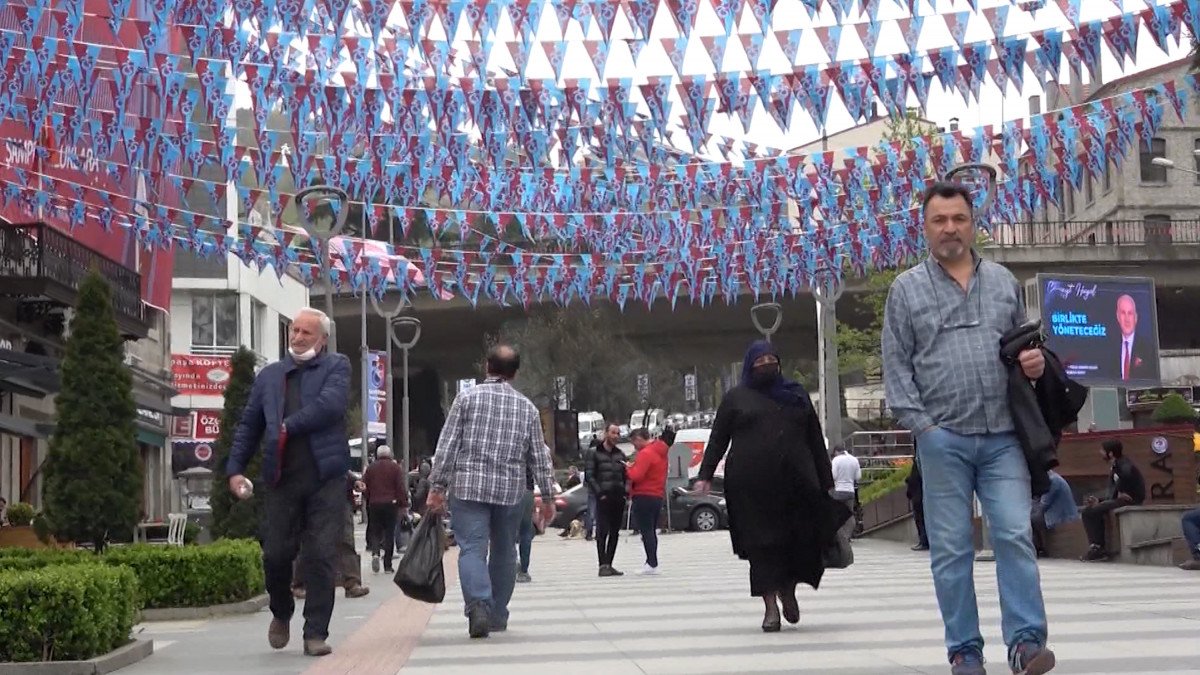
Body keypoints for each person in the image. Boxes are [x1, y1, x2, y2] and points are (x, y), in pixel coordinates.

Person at [882, 183, 1055, 675]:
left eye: (958, 218)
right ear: (925, 228)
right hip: (944, 439)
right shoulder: (905, 289)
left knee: (1015, 535)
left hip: (1004, 437)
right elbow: (896, 369)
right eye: (940, 220)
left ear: (972, 223)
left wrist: (1034, 363)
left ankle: (1025, 645)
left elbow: (1023, 350)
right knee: (952, 550)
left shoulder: (1003, 281)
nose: (950, 228)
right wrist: (925, 429)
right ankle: (965, 651)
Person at [227, 307, 350, 657]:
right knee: (275, 554)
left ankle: (315, 633)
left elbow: (331, 406)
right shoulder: (269, 376)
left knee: (321, 556)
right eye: (294, 331)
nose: (296, 337)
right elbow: (249, 425)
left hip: (325, 478)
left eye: (305, 333)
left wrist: (287, 427)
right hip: (281, 479)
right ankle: (281, 611)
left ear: (322, 339)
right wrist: (235, 469)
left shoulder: (336, 366)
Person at [696, 340, 836, 633]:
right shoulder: (736, 398)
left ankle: (789, 590)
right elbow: (718, 438)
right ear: (750, 366)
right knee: (761, 548)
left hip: (796, 485)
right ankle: (770, 607)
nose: (766, 366)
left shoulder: (796, 395)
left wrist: (826, 482)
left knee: (795, 541)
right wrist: (705, 474)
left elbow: (814, 439)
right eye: (760, 362)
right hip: (751, 489)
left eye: (771, 360)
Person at [426, 345, 556, 639]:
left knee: (472, 548)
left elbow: (447, 446)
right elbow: (539, 456)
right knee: (505, 550)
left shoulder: (466, 399)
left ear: (487, 367)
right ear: (515, 372)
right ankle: (497, 614)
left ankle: (478, 605)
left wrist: (437, 487)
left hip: (469, 487)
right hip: (509, 491)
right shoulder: (527, 409)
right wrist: (547, 497)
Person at [293, 472, 371, 600]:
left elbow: (341, 464)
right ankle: (299, 584)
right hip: (311, 494)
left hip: (339, 496)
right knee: (307, 540)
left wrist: (353, 481)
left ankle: (352, 583)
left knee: (346, 540)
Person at [1080, 439, 1145, 562]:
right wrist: (1099, 500)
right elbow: (1114, 492)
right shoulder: (1116, 465)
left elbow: (1127, 474)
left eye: (1102, 451)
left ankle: (1098, 548)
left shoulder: (1123, 464)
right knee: (1088, 510)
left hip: (1130, 500)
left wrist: (1123, 490)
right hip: (1120, 500)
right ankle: (1095, 546)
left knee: (1091, 512)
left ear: (1110, 453)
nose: (1100, 453)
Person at [587, 423, 628, 577]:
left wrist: (625, 492)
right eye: (613, 432)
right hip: (603, 497)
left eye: (618, 433)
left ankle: (609, 564)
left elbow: (625, 476)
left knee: (615, 532)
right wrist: (600, 493)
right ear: (606, 433)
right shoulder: (594, 453)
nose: (615, 436)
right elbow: (590, 476)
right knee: (602, 531)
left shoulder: (620, 454)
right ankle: (602, 564)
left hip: (618, 497)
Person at [627, 428, 669, 575]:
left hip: (643, 494)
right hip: (657, 494)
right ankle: (652, 561)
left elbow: (637, 476)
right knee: (651, 530)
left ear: (639, 438)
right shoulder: (661, 452)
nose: (634, 446)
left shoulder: (646, 453)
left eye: (634, 442)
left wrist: (628, 469)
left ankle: (651, 563)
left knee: (646, 531)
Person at [362, 445, 408, 574]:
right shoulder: (395, 468)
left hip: (374, 504)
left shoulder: (371, 468)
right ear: (390, 454)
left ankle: (375, 553)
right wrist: (403, 504)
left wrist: (369, 499)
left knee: (375, 531)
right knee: (389, 533)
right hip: (391, 504)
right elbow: (400, 487)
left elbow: (364, 486)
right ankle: (387, 565)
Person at [1030, 470, 1078, 557]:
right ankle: (1039, 548)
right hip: (1055, 513)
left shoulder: (1052, 480)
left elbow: (1044, 504)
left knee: (1029, 520)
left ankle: (1037, 549)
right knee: (1031, 516)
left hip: (1061, 515)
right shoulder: (1053, 478)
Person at [829, 446, 861, 559]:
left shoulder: (836, 460)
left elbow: (833, 476)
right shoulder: (854, 459)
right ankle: (847, 536)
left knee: (837, 515)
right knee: (849, 515)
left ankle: (838, 537)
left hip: (838, 491)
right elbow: (858, 476)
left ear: (836, 452)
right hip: (850, 492)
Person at [1113, 294, 1151, 381]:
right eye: (1123, 313)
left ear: (1136, 318)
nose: (1126, 319)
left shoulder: (1148, 348)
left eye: (1130, 313)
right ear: (1118, 317)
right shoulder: (1110, 348)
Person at [907, 462, 929, 551]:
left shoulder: (919, 461)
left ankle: (924, 541)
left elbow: (913, 479)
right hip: (922, 494)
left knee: (920, 518)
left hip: (918, 495)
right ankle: (925, 540)